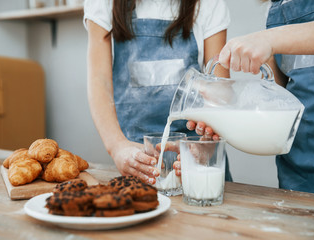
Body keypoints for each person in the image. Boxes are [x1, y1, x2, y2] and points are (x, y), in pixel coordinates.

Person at [188, 0, 314, 195]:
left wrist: (269, 39)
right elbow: (278, 91)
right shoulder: (275, 8)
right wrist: (227, 118)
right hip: (297, 169)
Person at [84, 0, 233, 184]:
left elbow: (219, 91)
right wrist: (117, 146)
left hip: (198, 168)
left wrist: (207, 146)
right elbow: (100, 81)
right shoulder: (104, 4)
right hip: (136, 162)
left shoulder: (209, 4)